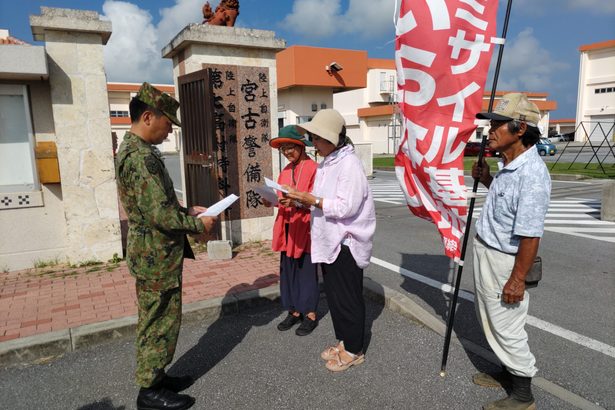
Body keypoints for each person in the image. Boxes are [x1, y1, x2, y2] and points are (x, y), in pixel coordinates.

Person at [116, 82, 217, 410]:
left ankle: (157, 377)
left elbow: (157, 204)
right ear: (148, 117)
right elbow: (159, 214)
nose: (168, 132)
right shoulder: (140, 158)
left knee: (160, 316)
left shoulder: (137, 152)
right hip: (155, 255)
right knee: (158, 319)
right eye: (166, 124)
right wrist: (197, 225)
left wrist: (187, 212)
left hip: (154, 253)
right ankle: (149, 392)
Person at [471, 93, 551, 410]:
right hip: (489, 252)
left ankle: (522, 394)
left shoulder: (531, 175)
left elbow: (531, 235)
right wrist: (489, 179)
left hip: (505, 261)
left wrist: (517, 280)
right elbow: (510, 211)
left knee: (507, 324)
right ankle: (506, 370)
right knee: (492, 318)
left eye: (497, 125)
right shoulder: (511, 165)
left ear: (520, 129)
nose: (490, 131)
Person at [284, 109, 376, 372]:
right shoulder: (329, 162)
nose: (312, 142)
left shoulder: (350, 164)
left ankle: (354, 349)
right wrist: (300, 200)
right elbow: (320, 201)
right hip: (330, 239)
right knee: (336, 297)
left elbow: (346, 207)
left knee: (348, 298)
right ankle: (345, 341)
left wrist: (309, 199)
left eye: (316, 137)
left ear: (332, 138)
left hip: (346, 241)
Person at [263, 125, 319, 336]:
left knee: (306, 271)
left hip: (304, 227)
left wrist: (296, 202)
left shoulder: (314, 168)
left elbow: (317, 200)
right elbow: (281, 199)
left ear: (301, 146)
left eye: (290, 147)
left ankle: (310, 313)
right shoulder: (285, 171)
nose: (287, 152)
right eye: (283, 148)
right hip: (286, 226)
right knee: (287, 271)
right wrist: (272, 201)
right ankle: (293, 310)